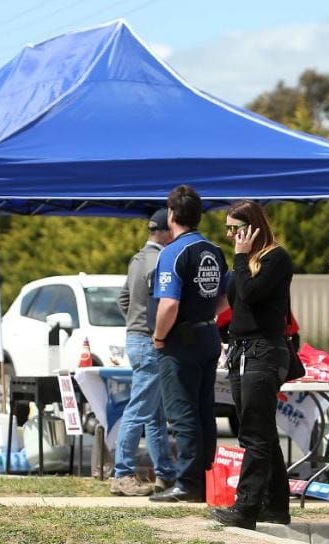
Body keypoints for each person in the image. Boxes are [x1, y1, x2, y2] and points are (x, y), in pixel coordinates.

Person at [210, 200, 293, 529]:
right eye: (228, 229)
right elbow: (236, 299)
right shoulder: (246, 261)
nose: (231, 235)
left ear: (255, 227)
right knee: (261, 433)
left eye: (237, 228)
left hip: (263, 351)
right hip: (241, 351)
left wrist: (242, 257)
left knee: (254, 435)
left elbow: (250, 293)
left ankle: (246, 508)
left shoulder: (275, 257)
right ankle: (276, 505)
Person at [148, 185, 229, 503]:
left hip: (181, 340)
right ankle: (207, 477)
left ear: (171, 215)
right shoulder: (213, 250)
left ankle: (187, 483)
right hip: (208, 334)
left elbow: (168, 305)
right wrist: (206, 315)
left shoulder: (173, 252)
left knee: (182, 414)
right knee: (204, 411)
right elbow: (224, 298)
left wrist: (158, 337)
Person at [110, 209, 177, 497]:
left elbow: (123, 298)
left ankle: (165, 472)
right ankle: (122, 473)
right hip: (150, 341)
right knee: (139, 410)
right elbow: (163, 303)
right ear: (164, 232)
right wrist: (155, 330)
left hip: (134, 338)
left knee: (154, 413)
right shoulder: (161, 260)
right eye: (172, 231)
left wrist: (134, 321)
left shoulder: (137, 259)